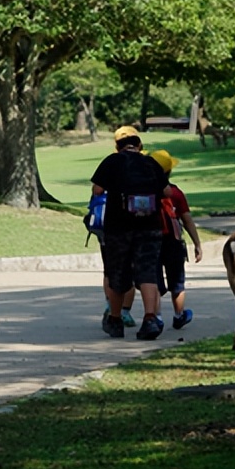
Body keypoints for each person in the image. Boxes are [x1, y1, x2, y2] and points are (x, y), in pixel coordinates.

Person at [91, 126, 171, 341]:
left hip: (118, 227)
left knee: (118, 274)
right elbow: (167, 192)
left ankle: (115, 320)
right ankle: (150, 318)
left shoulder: (112, 161)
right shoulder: (151, 163)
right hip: (150, 226)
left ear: (118, 148)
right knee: (147, 273)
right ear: (140, 146)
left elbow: (97, 190)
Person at [149, 149, 203, 330]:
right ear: (169, 171)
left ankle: (156, 317)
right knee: (177, 281)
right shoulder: (175, 193)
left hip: (150, 240)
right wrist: (197, 244)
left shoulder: (144, 193)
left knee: (153, 281)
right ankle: (179, 315)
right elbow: (187, 220)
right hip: (172, 240)